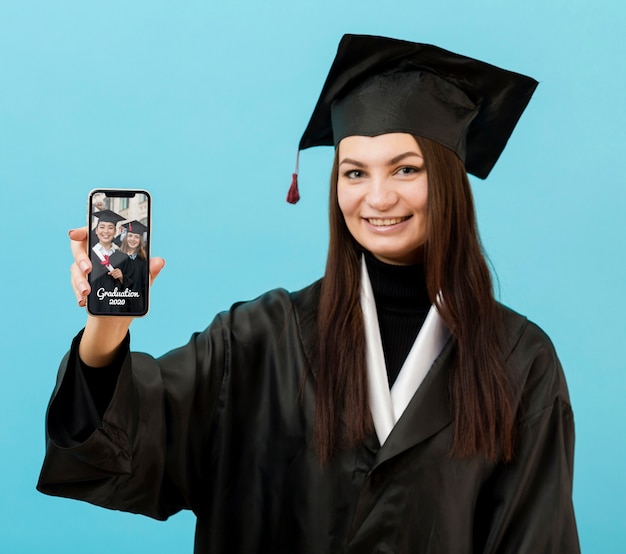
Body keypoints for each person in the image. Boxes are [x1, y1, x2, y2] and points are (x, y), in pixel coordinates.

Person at [37, 34, 580, 553]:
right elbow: (122, 447)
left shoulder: (519, 360)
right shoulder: (258, 340)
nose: (378, 197)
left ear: (447, 180)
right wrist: (107, 326)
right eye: (354, 172)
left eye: (406, 168)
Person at [87, 209, 134, 315]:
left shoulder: (123, 257)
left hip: (115, 306)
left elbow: (132, 284)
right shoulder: (89, 254)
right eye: (102, 227)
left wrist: (122, 277)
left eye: (110, 227)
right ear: (96, 230)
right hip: (93, 303)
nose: (106, 231)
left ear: (115, 232)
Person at [118, 220, 149, 314]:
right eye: (130, 236)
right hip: (118, 304)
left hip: (136, 305)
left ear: (140, 241)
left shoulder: (143, 262)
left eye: (137, 237)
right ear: (125, 237)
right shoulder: (117, 258)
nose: (133, 239)